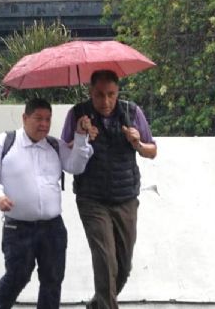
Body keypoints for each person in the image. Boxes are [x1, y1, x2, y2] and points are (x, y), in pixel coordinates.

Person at [0, 98, 96, 309]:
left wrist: (80, 135)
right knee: (17, 276)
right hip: (18, 228)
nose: (43, 124)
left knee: (52, 280)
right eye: (38, 118)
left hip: (53, 228)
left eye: (48, 119)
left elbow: (75, 166)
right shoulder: (6, 141)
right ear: (25, 118)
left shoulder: (54, 145)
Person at [61, 69, 157, 309]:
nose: (105, 101)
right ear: (90, 93)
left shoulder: (132, 112)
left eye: (111, 94)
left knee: (122, 266)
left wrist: (137, 143)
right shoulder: (77, 114)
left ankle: (98, 304)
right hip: (91, 199)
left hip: (125, 197)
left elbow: (152, 151)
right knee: (105, 261)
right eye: (99, 95)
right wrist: (80, 136)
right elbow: (64, 153)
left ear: (118, 92)